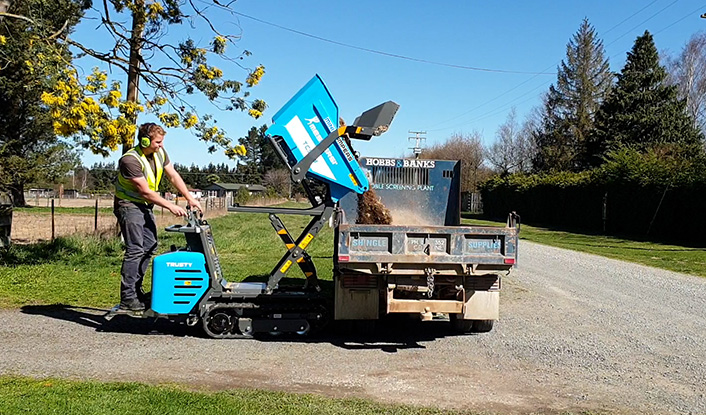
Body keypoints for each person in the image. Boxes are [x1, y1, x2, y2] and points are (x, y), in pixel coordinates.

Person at [114, 122, 202, 311]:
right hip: (128, 205)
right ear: (145, 140)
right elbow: (145, 191)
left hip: (144, 206)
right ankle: (128, 297)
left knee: (150, 245)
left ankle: (137, 292)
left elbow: (173, 176)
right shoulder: (130, 160)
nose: (161, 145)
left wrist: (189, 197)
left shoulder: (160, 153)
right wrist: (171, 206)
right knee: (136, 249)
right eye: (158, 142)